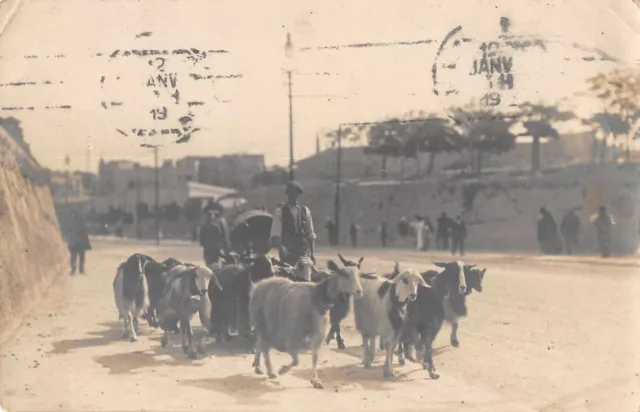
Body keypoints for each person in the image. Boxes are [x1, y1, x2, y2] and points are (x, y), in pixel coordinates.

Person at [269, 181, 316, 265]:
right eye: (291, 193)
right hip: (287, 253)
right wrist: (281, 248)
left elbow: (310, 234)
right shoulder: (280, 212)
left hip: (303, 253)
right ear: (287, 194)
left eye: (296, 194)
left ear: (299, 195)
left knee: (305, 274)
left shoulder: (305, 211)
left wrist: (312, 254)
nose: (293, 196)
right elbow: (275, 235)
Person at [65, 211, 91, 275]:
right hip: (80, 242)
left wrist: (69, 241)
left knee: (74, 256)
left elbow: (69, 233)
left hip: (75, 242)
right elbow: (85, 234)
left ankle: (74, 269)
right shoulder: (82, 225)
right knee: (81, 256)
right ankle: (80, 269)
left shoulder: (71, 225)